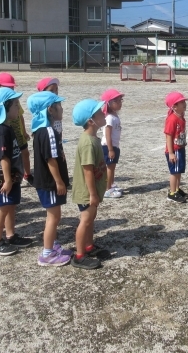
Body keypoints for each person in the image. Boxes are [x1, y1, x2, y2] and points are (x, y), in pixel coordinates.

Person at [28, 91, 74, 266]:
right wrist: (59, 181)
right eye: (59, 105)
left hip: (47, 182)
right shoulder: (48, 131)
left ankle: (52, 245)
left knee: (55, 216)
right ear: (50, 110)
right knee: (53, 217)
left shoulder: (41, 130)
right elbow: (50, 159)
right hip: (49, 183)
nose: (62, 108)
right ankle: (47, 254)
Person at [0, 87, 33, 256]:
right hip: (2, 177)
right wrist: (7, 180)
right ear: (3, 108)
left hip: (12, 176)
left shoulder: (8, 127)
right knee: (3, 208)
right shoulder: (0, 130)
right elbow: (3, 157)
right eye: (15, 104)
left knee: (11, 206)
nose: (18, 108)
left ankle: (11, 235)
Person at [71, 98, 110, 270]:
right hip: (87, 192)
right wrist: (93, 194)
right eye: (99, 113)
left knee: (91, 218)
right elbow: (87, 171)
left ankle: (89, 245)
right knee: (85, 220)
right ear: (90, 120)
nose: (103, 113)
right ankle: (79, 255)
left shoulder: (93, 138)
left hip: (92, 190)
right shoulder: (87, 142)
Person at [0, 73, 33, 185]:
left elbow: (20, 116)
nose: (10, 89)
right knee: (9, 156)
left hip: (19, 133)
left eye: (11, 87)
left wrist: (24, 132)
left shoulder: (15, 99)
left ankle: (27, 174)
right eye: (7, 87)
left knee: (25, 153)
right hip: (8, 135)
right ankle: (9, 176)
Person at [37, 77, 70, 189]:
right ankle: (56, 181)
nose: (55, 92)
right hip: (50, 140)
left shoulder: (57, 103)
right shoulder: (44, 109)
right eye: (51, 90)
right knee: (51, 158)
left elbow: (59, 127)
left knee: (60, 160)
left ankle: (62, 179)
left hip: (57, 140)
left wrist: (60, 144)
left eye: (56, 89)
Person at [164, 91, 188, 204]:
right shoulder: (172, 119)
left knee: (179, 171)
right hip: (174, 150)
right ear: (174, 106)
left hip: (180, 148)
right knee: (174, 172)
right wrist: (171, 152)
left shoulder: (181, 117)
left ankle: (177, 189)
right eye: (181, 102)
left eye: (184, 101)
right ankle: (172, 193)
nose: (184, 104)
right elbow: (168, 136)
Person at [100, 89, 124, 199]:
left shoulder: (114, 115)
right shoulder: (109, 118)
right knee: (109, 168)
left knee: (112, 167)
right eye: (117, 101)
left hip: (114, 146)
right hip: (108, 146)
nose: (120, 103)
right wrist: (110, 149)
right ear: (109, 103)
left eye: (120, 100)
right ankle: (107, 189)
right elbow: (107, 134)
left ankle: (111, 184)